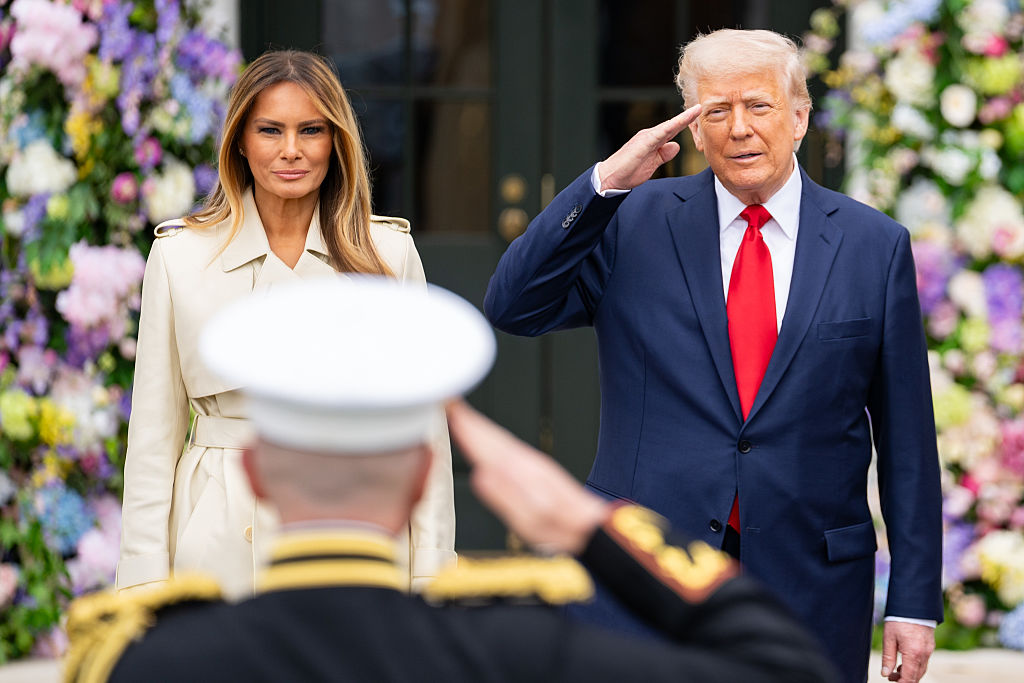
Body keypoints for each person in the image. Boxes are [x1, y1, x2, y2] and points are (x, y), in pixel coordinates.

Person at [65, 278, 839, 683]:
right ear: (422, 476)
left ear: (255, 469)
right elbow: (785, 668)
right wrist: (587, 522)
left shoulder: (142, 663)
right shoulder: (519, 650)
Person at [484, 28, 942, 683]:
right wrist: (605, 183)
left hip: (812, 580)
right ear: (694, 129)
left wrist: (913, 601)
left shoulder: (874, 244)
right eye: (716, 110)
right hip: (646, 569)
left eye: (758, 105)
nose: (739, 128)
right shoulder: (630, 221)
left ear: (800, 117)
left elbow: (907, 441)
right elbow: (513, 306)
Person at [116, 50, 455, 598]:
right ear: (240, 141)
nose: (291, 150)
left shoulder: (387, 254)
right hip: (217, 540)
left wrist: (431, 575)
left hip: (355, 528)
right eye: (270, 130)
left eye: (311, 130)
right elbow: (153, 439)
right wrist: (143, 582)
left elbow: (424, 432)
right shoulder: (179, 258)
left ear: (335, 141)